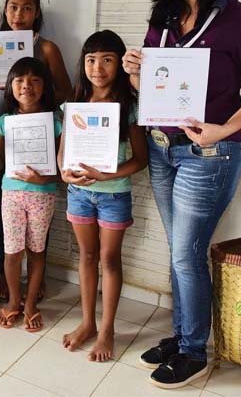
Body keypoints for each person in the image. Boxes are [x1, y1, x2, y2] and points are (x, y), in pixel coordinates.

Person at [121, 0, 241, 388]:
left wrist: (226, 126)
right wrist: (136, 73)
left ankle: (194, 350)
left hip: (210, 153)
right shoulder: (165, 20)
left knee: (188, 255)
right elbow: (152, 90)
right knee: (179, 253)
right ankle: (181, 334)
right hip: (162, 149)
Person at [57, 31, 148, 361]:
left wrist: (105, 174)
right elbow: (64, 150)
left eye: (107, 59)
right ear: (83, 64)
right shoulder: (75, 103)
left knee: (109, 260)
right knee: (87, 257)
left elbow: (141, 159)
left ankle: (107, 329)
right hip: (78, 193)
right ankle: (87, 323)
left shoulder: (130, 107)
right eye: (91, 60)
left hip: (113, 196)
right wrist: (64, 170)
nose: (98, 67)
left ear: (120, 64)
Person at [0, 57, 61, 332]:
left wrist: (43, 178)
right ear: (10, 87)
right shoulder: (3, 122)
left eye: (34, 80)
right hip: (11, 194)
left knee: (36, 251)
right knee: (12, 251)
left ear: (45, 87)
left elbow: (62, 167)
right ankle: (14, 301)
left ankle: (30, 305)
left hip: (43, 194)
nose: (26, 86)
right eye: (19, 80)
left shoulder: (56, 123)